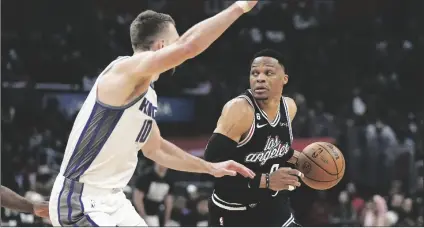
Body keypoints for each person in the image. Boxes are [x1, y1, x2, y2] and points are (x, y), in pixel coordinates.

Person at [48, 1, 258, 227]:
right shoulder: (125, 70)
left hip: (113, 200)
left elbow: (155, 148)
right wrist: (241, 6)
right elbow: (189, 47)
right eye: (174, 42)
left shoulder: (148, 94)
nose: (179, 51)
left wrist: (209, 167)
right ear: (161, 46)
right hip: (79, 199)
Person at [205, 49, 304, 227]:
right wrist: (266, 180)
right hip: (235, 210)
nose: (260, 78)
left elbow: (272, 146)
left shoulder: (289, 107)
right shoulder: (240, 110)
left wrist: (300, 159)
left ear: (284, 79)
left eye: (269, 73)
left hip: (273, 206)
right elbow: (212, 164)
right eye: (254, 73)